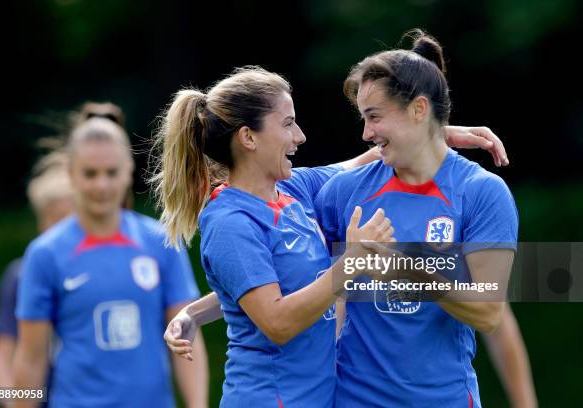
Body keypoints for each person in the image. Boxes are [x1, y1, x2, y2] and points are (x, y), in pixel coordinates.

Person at [156, 66, 512, 407]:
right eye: (288, 124)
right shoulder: (231, 220)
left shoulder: (293, 192)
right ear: (248, 137)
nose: (300, 136)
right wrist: (354, 263)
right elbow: (277, 320)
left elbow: (358, 163)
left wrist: (431, 134)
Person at [312, 29, 519, 407]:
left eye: (374, 117)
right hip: (353, 399)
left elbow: (489, 312)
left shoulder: (480, 192)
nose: (365, 133)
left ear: (419, 109)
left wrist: (405, 272)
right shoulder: (344, 191)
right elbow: (272, 198)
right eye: (363, 118)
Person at [13, 103, 208, 408]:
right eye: (90, 174)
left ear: (129, 170)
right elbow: (30, 359)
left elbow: (186, 337)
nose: (101, 185)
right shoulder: (44, 254)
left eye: (111, 172)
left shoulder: (161, 241)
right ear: (71, 175)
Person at [0, 151, 73, 397]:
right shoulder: (20, 275)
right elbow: (1, 354)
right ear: (41, 222)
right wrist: (13, 400)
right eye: (57, 219)